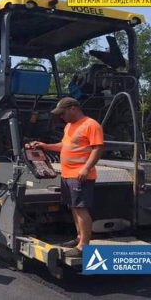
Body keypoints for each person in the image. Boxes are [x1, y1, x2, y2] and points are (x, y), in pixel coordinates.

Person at [29, 97, 104, 257]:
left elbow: (97, 148)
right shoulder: (70, 126)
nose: (61, 117)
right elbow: (65, 145)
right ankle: (79, 237)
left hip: (81, 175)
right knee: (73, 207)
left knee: (81, 208)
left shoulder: (91, 125)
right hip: (67, 174)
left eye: (63, 113)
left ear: (73, 108)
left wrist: (86, 168)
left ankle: (84, 245)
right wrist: (45, 146)